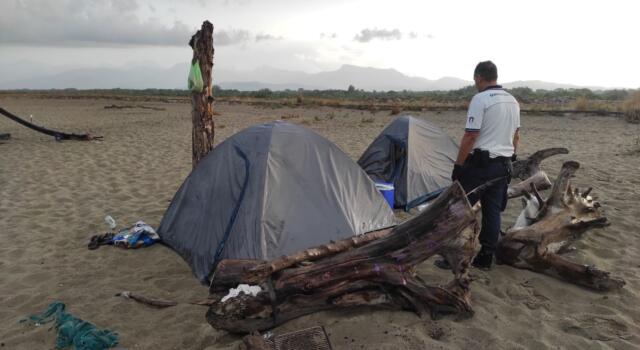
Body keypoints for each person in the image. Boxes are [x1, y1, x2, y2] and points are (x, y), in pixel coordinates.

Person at [449, 60, 520, 270]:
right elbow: (516, 136)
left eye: (475, 79)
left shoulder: (480, 99)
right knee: (493, 211)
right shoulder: (513, 101)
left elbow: (470, 136)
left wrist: (459, 166)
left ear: (479, 77)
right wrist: (511, 158)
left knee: (459, 208)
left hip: (480, 165)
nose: (475, 83)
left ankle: (453, 254)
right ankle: (486, 256)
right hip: (503, 165)